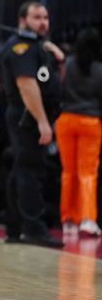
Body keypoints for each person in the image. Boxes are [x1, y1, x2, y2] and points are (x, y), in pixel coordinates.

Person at [0, 1, 64, 247]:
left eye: (46, 17)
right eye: (37, 17)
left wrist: (59, 58)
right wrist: (43, 123)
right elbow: (27, 87)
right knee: (30, 172)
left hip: (33, 117)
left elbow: (49, 82)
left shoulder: (39, 47)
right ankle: (33, 228)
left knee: (20, 171)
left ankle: (15, 228)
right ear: (22, 20)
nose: (43, 22)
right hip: (29, 117)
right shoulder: (21, 47)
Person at [55, 28, 102, 237]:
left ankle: (68, 220)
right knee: (88, 172)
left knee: (68, 172)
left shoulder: (66, 65)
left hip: (65, 120)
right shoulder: (99, 69)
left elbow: (56, 89)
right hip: (90, 121)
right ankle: (87, 219)